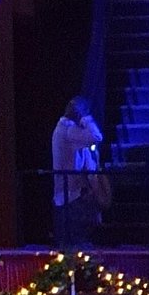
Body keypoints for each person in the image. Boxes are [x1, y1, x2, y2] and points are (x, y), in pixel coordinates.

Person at [51, 99, 106, 247]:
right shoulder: (68, 130)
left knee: (78, 242)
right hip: (71, 197)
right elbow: (96, 137)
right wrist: (86, 119)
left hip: (72, 194)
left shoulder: (68, 130)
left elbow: (89, 158)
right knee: (77, 244)